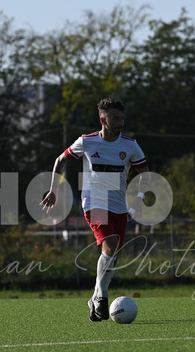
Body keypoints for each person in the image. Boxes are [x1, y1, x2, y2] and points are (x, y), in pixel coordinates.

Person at [40, 98, 150, 321]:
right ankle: (102, 296)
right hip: (94, 203)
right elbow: (60, 160)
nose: (120, 123)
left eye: (122, 118)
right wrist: (53, 190)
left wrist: (140, 198)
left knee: (113, 256)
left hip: (119, 206)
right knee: (111, 244)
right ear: (103, 120)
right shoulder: (87, 141)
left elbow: (146, 174)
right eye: (115, 118)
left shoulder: (130, 145)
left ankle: (94, 298)